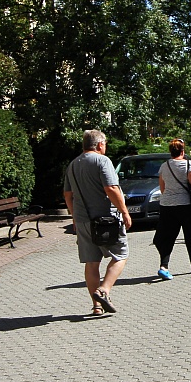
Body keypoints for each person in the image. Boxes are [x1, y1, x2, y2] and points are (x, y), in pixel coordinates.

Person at [63, 129, 131, 315]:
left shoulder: (73, 165)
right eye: (105, 144)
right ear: (100, 144)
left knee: (92, 263)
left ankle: (96, 306)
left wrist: (74, 217)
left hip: (83, 220)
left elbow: (68, 195)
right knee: (120, 256)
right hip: (106, 220)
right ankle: (104, 290)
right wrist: (124, 211)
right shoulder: (102, 161)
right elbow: (110, 188)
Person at [154, 138, 191, 280]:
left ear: (170, 152)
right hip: (185, 206)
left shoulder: (164, 166)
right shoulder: (188, 164)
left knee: (167, 237)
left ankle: (163, 267)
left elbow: (162, 188)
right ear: (182, 152)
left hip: (167, 206)